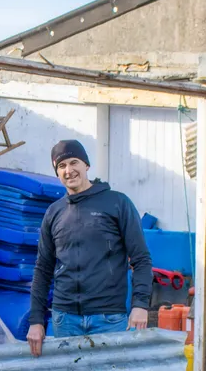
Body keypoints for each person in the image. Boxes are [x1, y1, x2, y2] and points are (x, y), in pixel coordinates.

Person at [26, 139, 152, 357]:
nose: (69, 170)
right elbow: (43, 269)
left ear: (86, 165)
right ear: (57, 173)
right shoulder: (54, 212)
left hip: (108, 319)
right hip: (64, 320)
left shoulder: (117, 203)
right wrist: (36, 320)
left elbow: (141, 259)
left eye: (74, 162)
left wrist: (140, 305)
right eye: (62, 166)